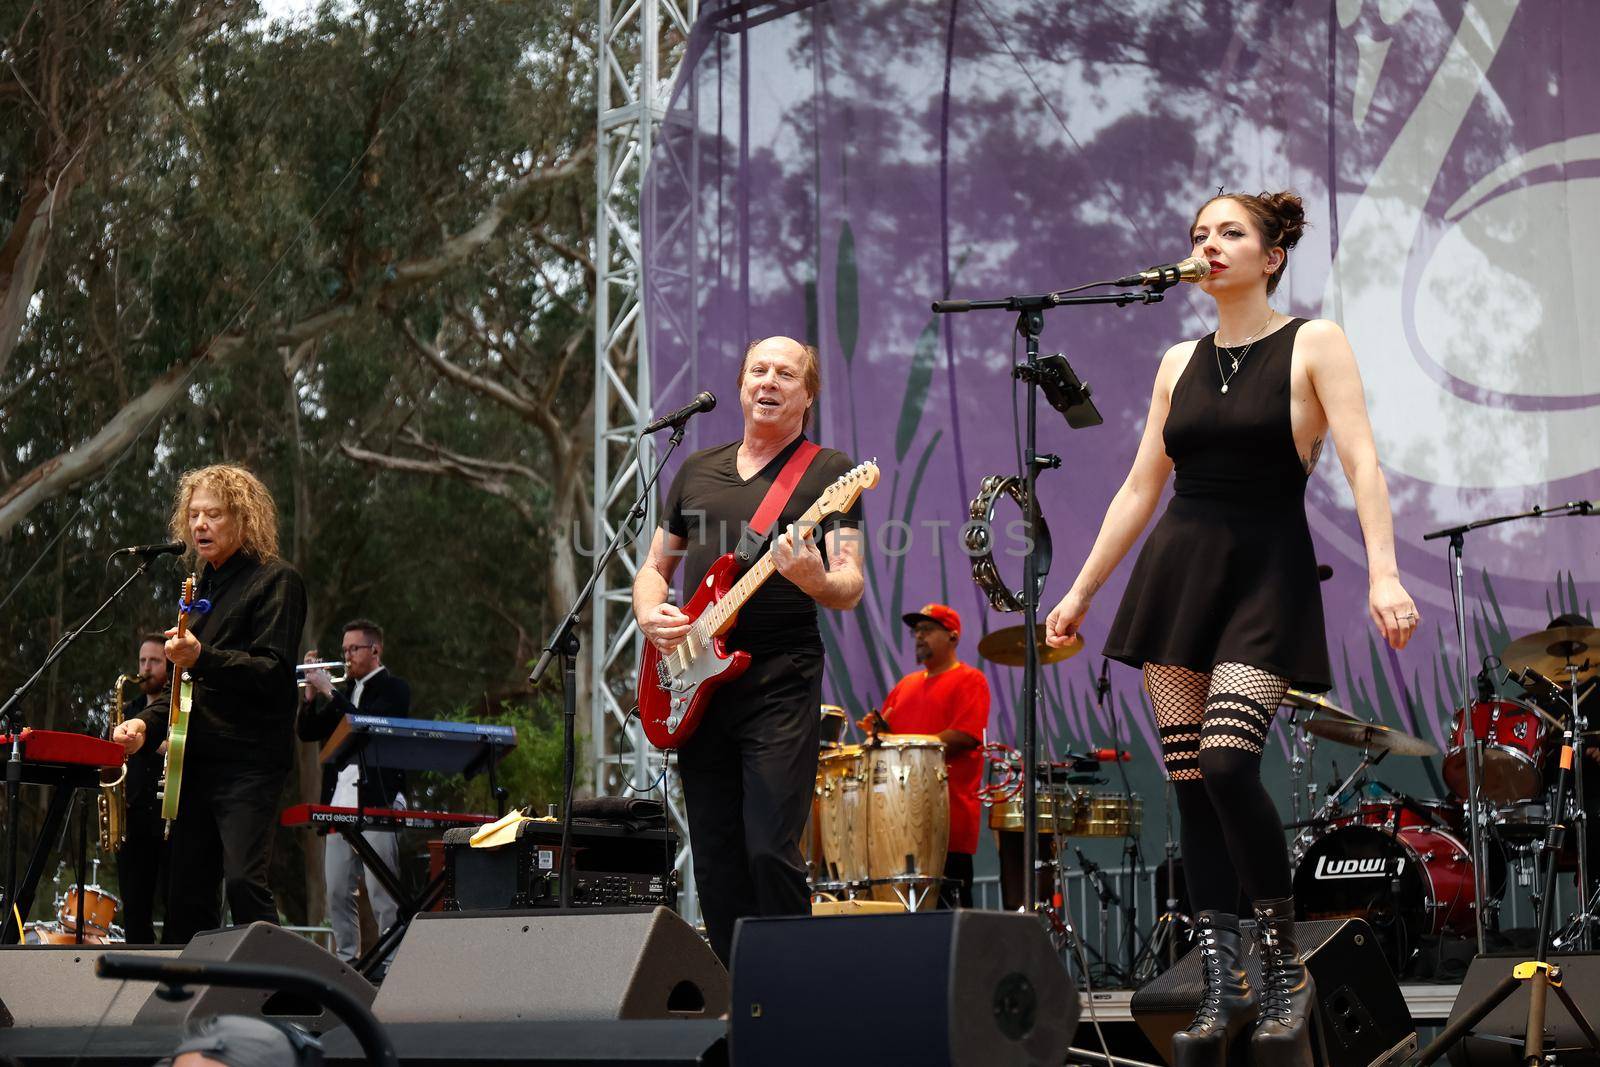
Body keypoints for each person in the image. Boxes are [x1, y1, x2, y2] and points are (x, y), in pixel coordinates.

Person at [1044, 191, 1419, 1066]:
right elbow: (1141, 487)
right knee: (1190, 787)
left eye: (1230, 233)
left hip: (1264, 573)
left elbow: (1361, 457)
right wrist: (1082, 589)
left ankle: (1284, 964)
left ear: (1272, 253)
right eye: (1198, 235)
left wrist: (1387, 571)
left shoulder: (1314, 341)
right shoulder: (1178, 358)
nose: (1209, 246)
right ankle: (1220, 980)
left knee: (1226, 763)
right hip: (1178, 577)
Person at [632, 336, 865, 965]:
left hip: (779, 680)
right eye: (757, 370)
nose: (769, 381)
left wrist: (812, 576)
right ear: (739, 386)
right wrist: (648, 608)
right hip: (696, 684)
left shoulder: (830, 474)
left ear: (807, 395)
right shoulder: (696, 468)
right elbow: (657, 567)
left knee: (768, 845)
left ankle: (794, 991)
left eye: (785, 374)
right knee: (714, 852)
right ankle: (739, 997)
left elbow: (849, 584)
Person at [112, 464, 308, 944]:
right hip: (195, 760)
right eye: (194, 514)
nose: (199, 524)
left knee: (243, 882)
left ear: (243, 518)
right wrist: (144, 723)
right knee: (186, 894)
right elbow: (184, 688)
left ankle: (284, 994)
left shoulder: (276, 580)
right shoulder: (200, 588)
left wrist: (203, 656)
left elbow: (273, 672)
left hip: (248, 763)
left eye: (213, 514)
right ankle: (188, 1002)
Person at [297, 618, 412, 964]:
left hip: (377, 797)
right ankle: (347, 961)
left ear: (374, 650)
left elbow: (365, 727)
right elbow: (307, 733)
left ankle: (391, 965)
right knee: (336, 891)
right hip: (339, 804)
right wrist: (310, 697)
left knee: (382, 892)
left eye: (353, 649)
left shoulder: (395, 688)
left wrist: (329, 692)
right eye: (344, 649)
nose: (346, 656)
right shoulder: (343, 694)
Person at [859, 603, 990, 908]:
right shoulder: (906, 685)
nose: (919, 636)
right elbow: (888, 736)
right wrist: (879, 733)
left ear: (953, 637)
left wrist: (904, 743)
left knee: (950, 914)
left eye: (928, 630)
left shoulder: (971, 680)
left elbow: (963, 736)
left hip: (946, 820)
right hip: (897, 821)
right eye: (916, 631)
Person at [114, 633, 173, 944]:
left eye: (155, 661)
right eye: (143, 661)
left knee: (176, 906)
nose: (147, 667)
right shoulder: (128, 708)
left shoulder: (178, 711)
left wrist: (162, 744)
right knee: (135, 909)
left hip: (169, 818)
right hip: (132, 818)